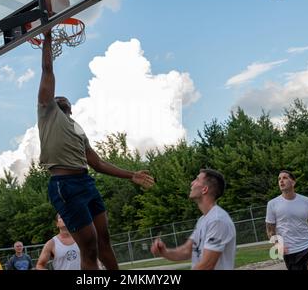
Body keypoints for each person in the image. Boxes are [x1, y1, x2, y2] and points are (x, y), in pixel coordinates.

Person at [37, 30, 155, 270]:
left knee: (104, 242)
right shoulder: (47, 112)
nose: (60, 98)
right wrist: (47, 37)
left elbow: (98, 163)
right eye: (56, 97)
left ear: (70, 108)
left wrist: (130, 174)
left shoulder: (78, 129)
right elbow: (48, 71)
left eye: (65, 99)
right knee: (88, 246)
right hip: (64, 185)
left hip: (85, 182)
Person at [150, 169, 236, 270]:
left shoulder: (217, 220)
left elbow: (207, 265)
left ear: (204, 189)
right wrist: (164, 252)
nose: (192, 183)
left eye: (197, 179)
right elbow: (186, 251)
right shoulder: (203, 219)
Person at [265, 170, 308, 270]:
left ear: (293, 182)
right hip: (290, 251)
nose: (281, 181)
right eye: (279, 179)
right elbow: (270, 230)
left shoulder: (306, 201)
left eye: (285, 178)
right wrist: (277, 244)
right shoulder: (272, 204)